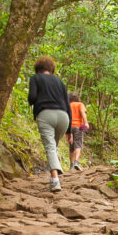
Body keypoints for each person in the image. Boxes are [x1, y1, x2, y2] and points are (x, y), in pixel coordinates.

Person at [27, 55, 70, 192]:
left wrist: (33, 102)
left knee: (50, 146)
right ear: (51, 69)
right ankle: (56, 166)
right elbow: (68, 105)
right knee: (54, 145)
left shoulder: (36, 79)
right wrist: (69, 131)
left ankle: (55, 179)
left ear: (38, 68)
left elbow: (32, 97)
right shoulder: (60, 82)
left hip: (46, 114)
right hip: (64, 117)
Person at [67, 93, 90, 171]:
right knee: (78, 144)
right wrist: (86, 123)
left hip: (69, 127)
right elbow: (82, 112)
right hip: (78, 126)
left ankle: (71, 165)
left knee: (71, 146)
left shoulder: (68, 105)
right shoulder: (80, 104)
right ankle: (76, 162)